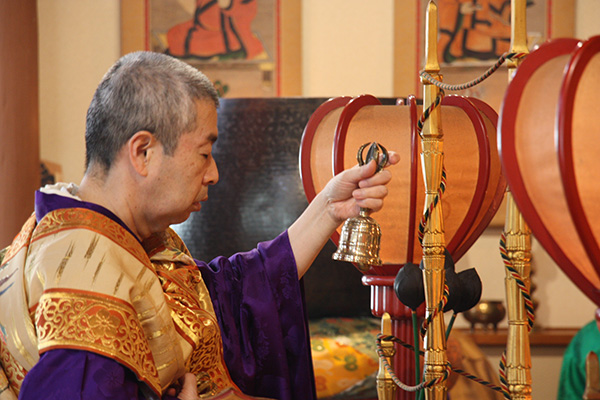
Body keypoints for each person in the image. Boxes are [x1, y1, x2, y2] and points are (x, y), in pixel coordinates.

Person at [0, 51, 399, 400]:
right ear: (143, 152)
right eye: (205, 153)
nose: (214, 174)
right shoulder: (85, 284)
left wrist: (328, 208)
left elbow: (219, 300)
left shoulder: (104, 236)